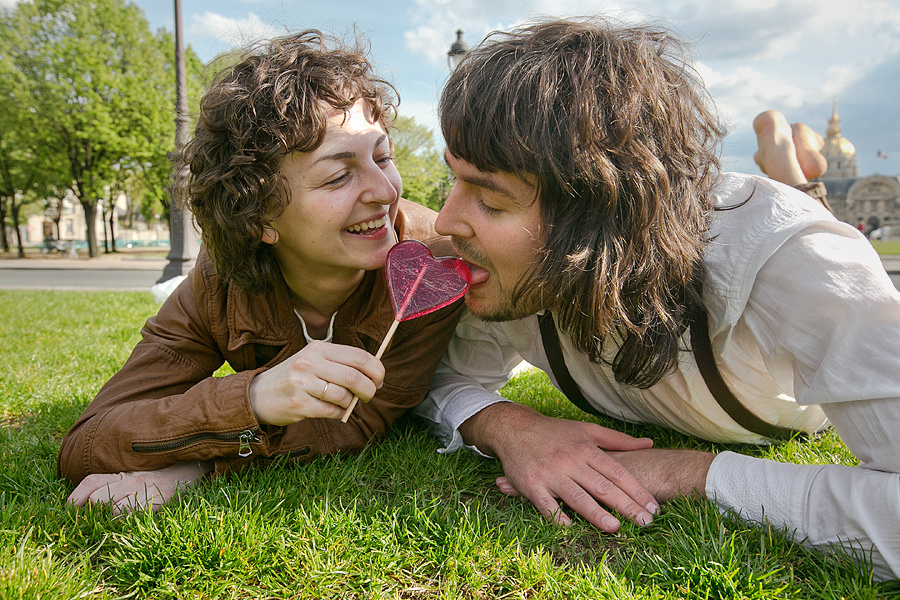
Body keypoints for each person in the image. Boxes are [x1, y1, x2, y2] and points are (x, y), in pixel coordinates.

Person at [414, 19, 900, 581]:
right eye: (456, 182)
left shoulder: (796, 263)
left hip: (775, 277)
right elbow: (441, 377)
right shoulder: (509, 275)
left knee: (808, 215)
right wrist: (511, 427)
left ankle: (792, 176)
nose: (447, 221)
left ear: (593, 222)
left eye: (491, 202)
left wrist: (691, 473)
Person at [58, 31, 463, 513]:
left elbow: (358, 421)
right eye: (338, 176)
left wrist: (202, 467)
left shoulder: (431, 270)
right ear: (259, 218)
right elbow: (87, 443)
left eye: (383, 157)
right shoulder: (218, 284)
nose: (384, 191)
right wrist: (253, 396)